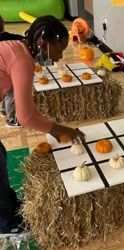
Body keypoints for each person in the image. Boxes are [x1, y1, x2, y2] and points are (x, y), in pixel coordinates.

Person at [0, 15, 85, 233]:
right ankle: (7, 223)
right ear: (44, 44)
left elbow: (27, 108)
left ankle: (8, 205)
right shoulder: (22, 60)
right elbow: (25, 117)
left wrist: (54, 130)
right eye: (59, 49)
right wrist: (64, 130)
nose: (60, 56)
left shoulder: (20, 48)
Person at [0, 15, 24, 127]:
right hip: (6, 70)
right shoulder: (7, 37)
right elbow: (20, 38)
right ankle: (12, 119)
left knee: (4, 89)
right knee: (11, 92)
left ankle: (4, 110)